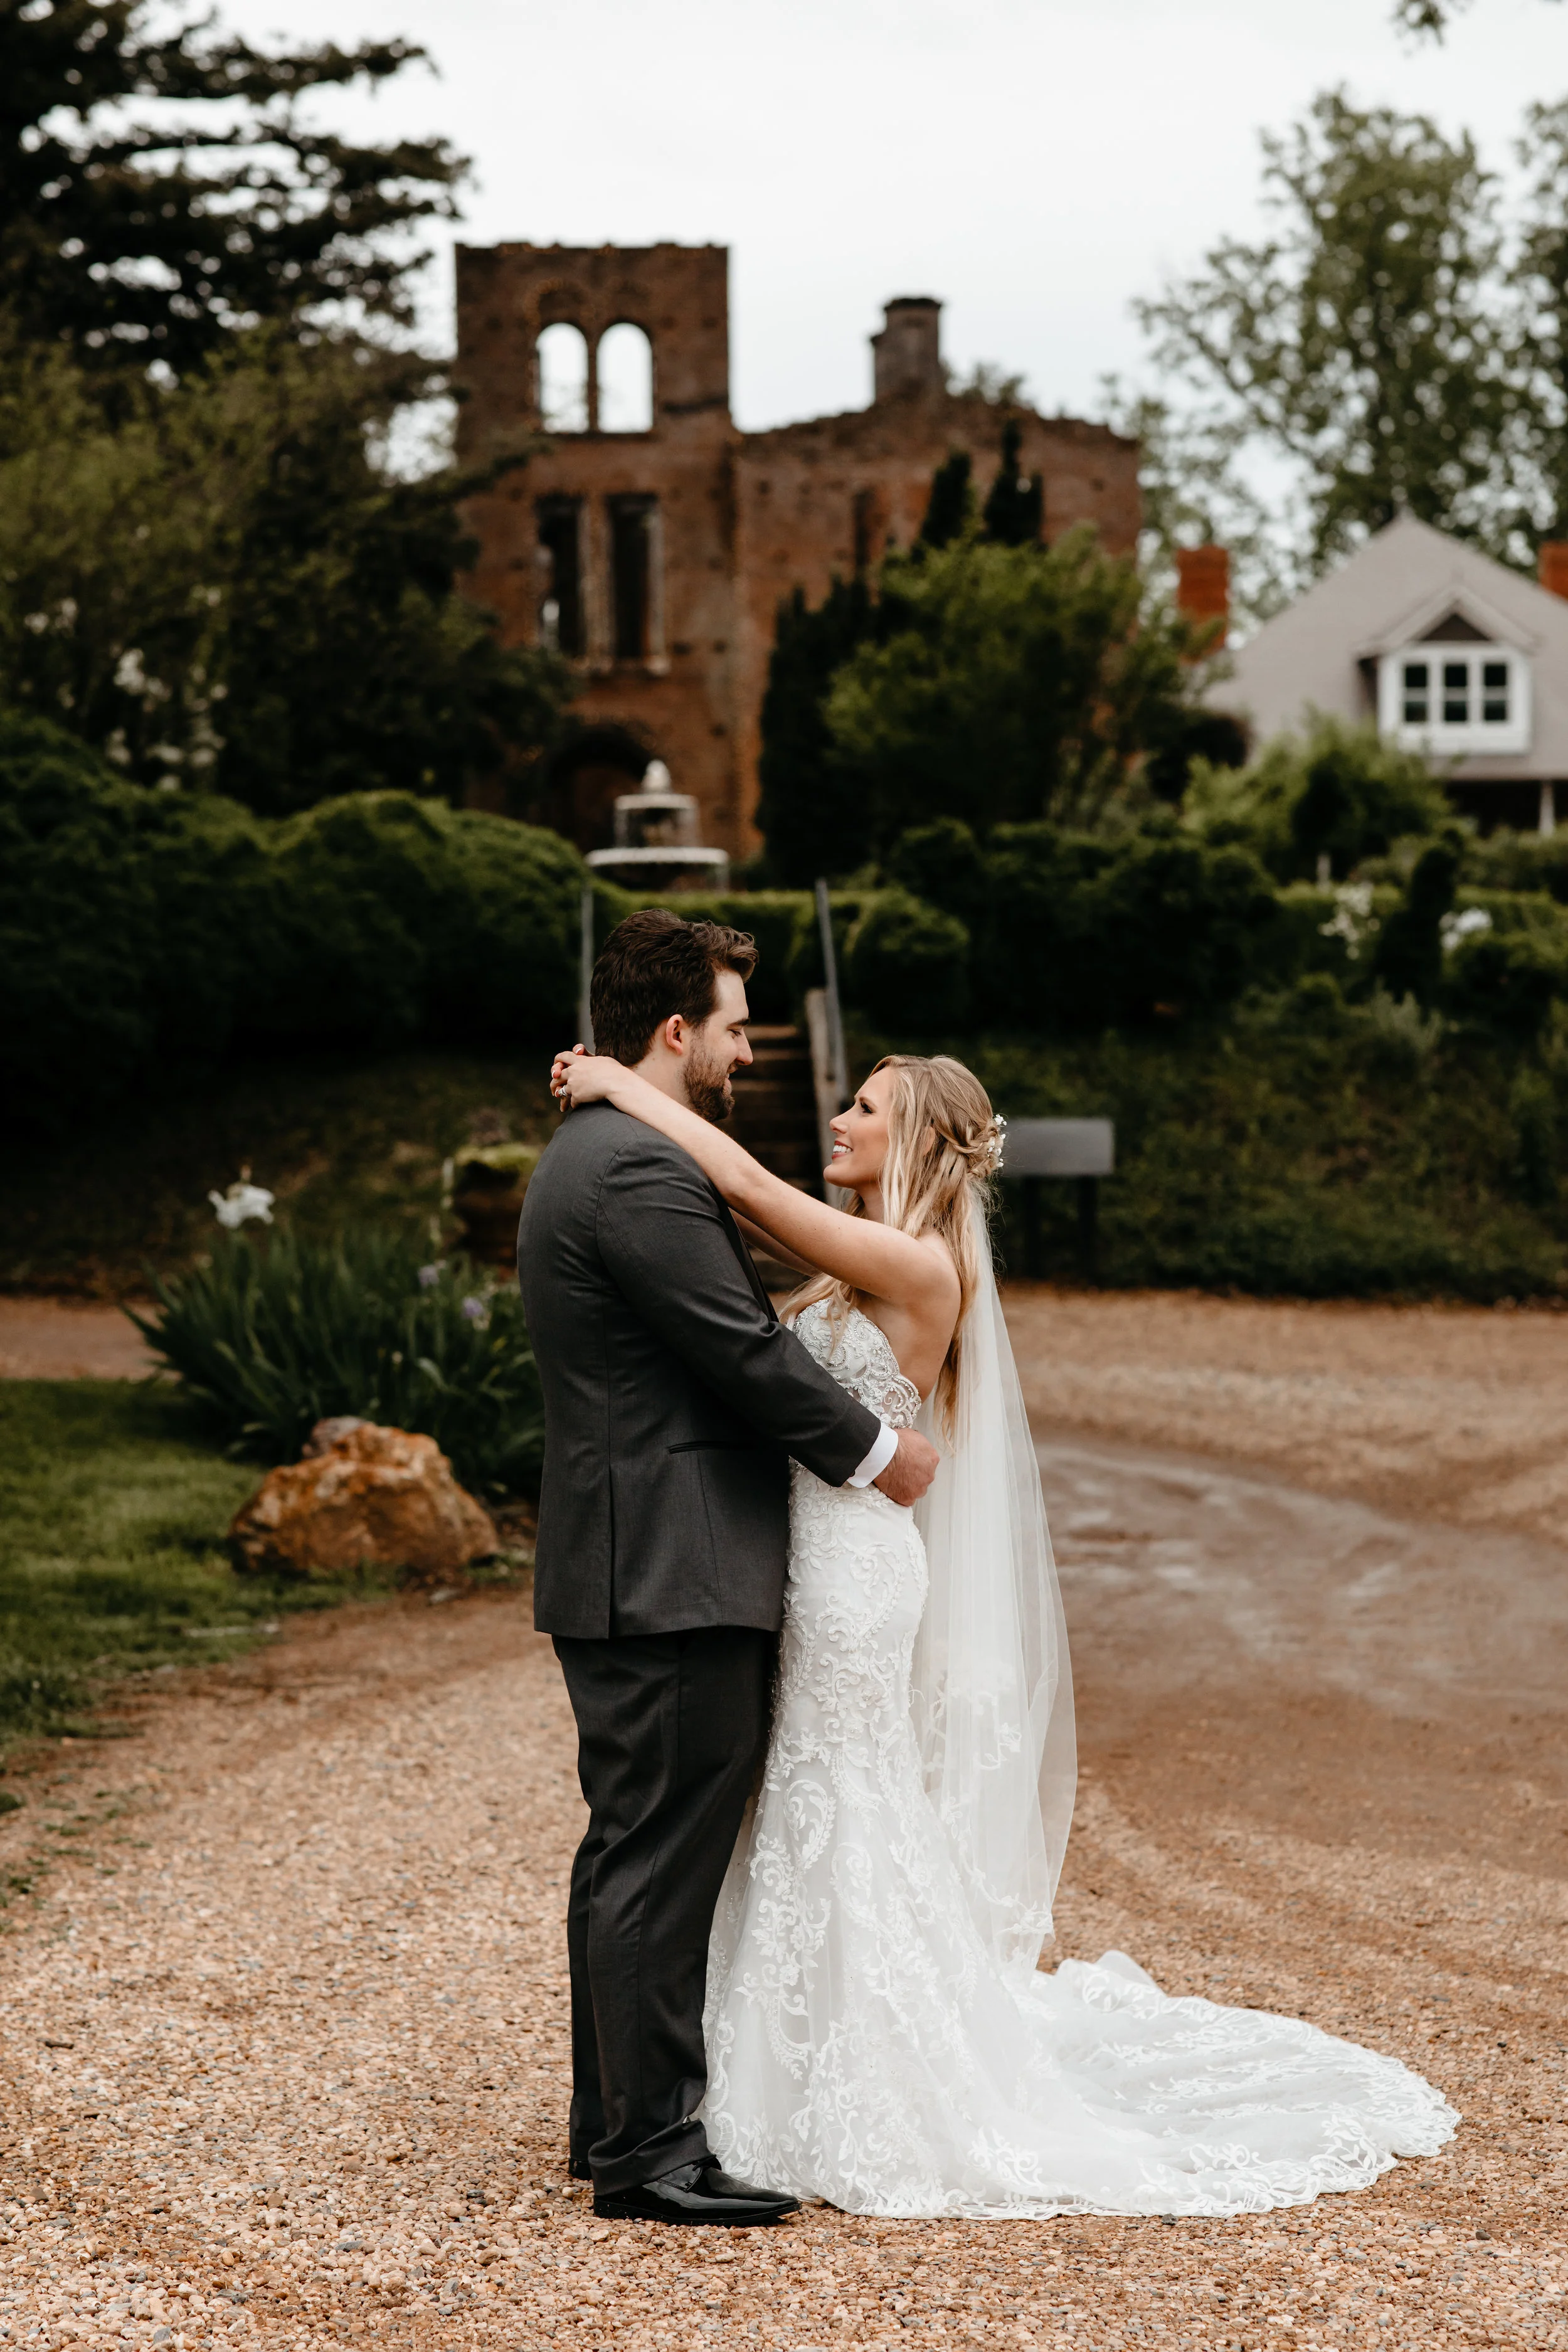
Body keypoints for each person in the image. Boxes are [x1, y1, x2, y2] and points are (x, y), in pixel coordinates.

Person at [550, 1033, 1459, 2219]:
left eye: (864, 1108)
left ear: (917, 1142)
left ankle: (849, 2080)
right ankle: (725, 2076)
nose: (839, 1119)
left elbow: (746, 1186)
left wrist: (621, 1086)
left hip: (851, 1570)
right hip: (808, 1553)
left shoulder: (918, 1264)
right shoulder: (856, 1256)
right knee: (796, 1798)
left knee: (839, 1791)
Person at [517, 909, 940, 2229]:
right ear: (674, 1031)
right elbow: (743, 1355)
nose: (749, 1050)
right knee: (657, 1850)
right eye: (735, 1026)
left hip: (638, 1553)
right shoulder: (635, 1172)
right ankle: (647, 2152)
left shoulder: (600, 1149)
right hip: (670, 1561)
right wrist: (882, 1453)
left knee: (631, 1844)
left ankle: (618, 2123)